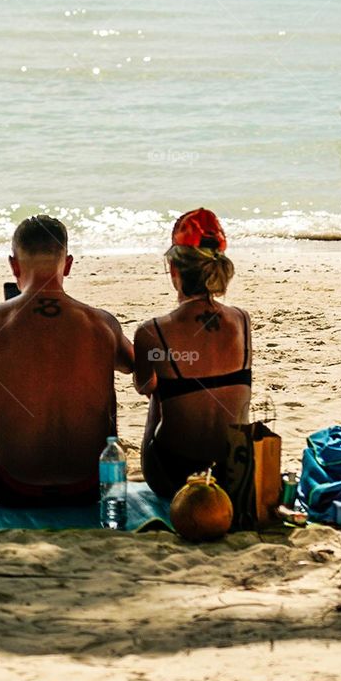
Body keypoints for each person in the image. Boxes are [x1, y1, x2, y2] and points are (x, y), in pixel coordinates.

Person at [0, 215, 134, 506]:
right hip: (91, 484)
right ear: (68, 264)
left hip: (7, 486)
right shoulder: (102, 324)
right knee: (98, 360)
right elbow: (133, 366)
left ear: (14, 266)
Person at [134, 209, 252, 499]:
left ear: (174, 269)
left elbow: (143, 386)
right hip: (234, 473)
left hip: (174, 476)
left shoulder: (152, 332)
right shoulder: (242, 320)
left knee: (158, 391)